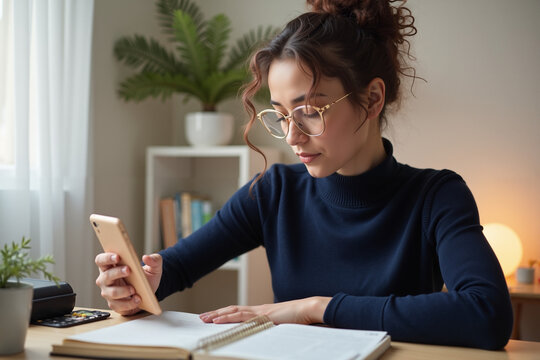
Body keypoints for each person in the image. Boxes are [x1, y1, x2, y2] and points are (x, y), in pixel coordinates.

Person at [95, 0, 513, 350]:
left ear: (371, 98)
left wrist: (314, 308)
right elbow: (176, 268)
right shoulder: (275, 191)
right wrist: (139, 285)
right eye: (279, 115)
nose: (292, 135)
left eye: (310, 111)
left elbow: (487, 315)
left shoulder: (437, 195)